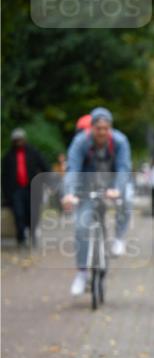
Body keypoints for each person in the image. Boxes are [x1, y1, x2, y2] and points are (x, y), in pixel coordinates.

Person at [62, 107, 132, 296]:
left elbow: (124, 168)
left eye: (105, 128)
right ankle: (83, 273)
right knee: (80, 227)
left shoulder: (120, 141)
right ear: (91, 128)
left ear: (110, 129)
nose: (102, 132)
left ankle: (118, 237)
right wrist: (69, 193)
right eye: (98, 128)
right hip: (87, 186)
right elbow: (73, 169)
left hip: (112, 185)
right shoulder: (81, 142)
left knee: (128, 196)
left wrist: (117, 188)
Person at [2, 128, 49, 247]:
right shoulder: (8, 156)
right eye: (16, 140)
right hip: (16, 190)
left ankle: (33, 234)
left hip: (31, 188)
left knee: (32, 212)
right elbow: (4, 177)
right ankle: (21, 238)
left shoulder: (33, 152)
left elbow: (45, 166)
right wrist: (6, 194)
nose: (19, 142)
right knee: (18, 213)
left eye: (20, 140)